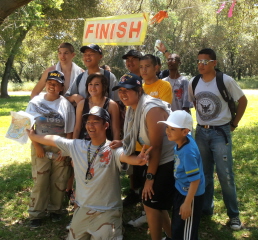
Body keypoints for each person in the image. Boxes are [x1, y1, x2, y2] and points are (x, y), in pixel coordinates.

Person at [26, 106, 151, 240]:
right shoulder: (77, 146)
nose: (91, 125)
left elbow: (125, 157)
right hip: (83, 210)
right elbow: (54, 139)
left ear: (106, 125)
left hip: (107, 211)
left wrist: (138, 160)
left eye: (96, 121)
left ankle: (116, 227)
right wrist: (34, 136)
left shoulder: (112, 148)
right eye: (88, 122)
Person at [188, 48, 248, 230]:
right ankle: (206, 208)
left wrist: (233, 124)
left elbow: (243, 100)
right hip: (201, 133)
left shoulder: (225, 80)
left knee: (226, 175)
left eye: (205, 62)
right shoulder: (194, 82)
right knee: (204, 173)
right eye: (198, 61)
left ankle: (234, 215)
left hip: (220, 133)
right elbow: (194, 102)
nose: (201, 65)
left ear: (214, 63)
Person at [112, 73, 175, 240]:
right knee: (155, 205)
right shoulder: (132, 108)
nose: (123, 94)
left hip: (166, 160)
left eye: (128, 90)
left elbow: (157, 147)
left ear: (139, 90)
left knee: (150, 205)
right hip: (150, 158)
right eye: (120, 90)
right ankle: (172, 236)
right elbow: (137, 136)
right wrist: (123, 143)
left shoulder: (151, 109)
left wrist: (150, 178)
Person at [26, 70, 75, 228]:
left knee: (59, 180)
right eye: (49, 83)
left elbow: (70, 130)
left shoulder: (65, 104)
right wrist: (37, 146)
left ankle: (55, 209)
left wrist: (65, 150)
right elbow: (28, 127)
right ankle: (36, 213)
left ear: (61, 87)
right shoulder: (35, 102)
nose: (52, 86)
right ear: (45, 84)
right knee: (40, 181)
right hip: (40, 147)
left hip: (60, 148)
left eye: (56, 84)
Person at [158, 110, 205, 240]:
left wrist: (187, 203)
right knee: (178, 226)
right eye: (167, 127)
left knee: (187, 232)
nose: (167, 131)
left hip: (191, 196)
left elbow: (195, 180)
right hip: (181, 190)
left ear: (185, 132)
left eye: (172, 129)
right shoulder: (182, 141)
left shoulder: (188, 152)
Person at [73, 72, 120, 141]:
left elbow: (116, 130)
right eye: (90, 84)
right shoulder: (81, 104)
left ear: (104, 86)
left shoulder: (112, 105)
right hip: (84, 145)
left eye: (96, 84)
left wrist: (115, 148)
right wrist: (73, 146)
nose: (93, 87)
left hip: (104, 147)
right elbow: (77, 128)